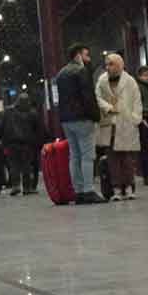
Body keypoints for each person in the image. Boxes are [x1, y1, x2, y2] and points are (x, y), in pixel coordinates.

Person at [55, 43, 106, 205]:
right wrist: (95, 116)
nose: (88, 58)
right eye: (86, 55)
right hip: (83, 119)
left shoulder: (61, 73)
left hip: (66, 120)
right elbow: (87, 97)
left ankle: (78, 191)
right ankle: (88, 190)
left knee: (74, 156)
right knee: (87, 156)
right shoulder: (81, 71)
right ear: (78, 55)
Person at [96, 53, 143, 201]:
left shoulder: (130, 81)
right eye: (106, 64)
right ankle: (116, 189)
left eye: (111, 64)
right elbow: (97, 97)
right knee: (112, 159)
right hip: (109, 123)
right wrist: (108, 108)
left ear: (119, 65)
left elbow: (137, 100)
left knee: (128, 158)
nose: (107, 67)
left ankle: (129, 187)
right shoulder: (101, 81)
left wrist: (136, 118)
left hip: (126, 122)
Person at [2, 93, 40, 196]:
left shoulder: (8, 111)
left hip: (11, 143)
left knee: (14, 165)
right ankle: (27, 187)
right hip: (26, 143)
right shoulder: (32, 113)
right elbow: (37, 129)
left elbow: (2, 126)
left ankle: (16, 186)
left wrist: (3, 141)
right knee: (26, 166)